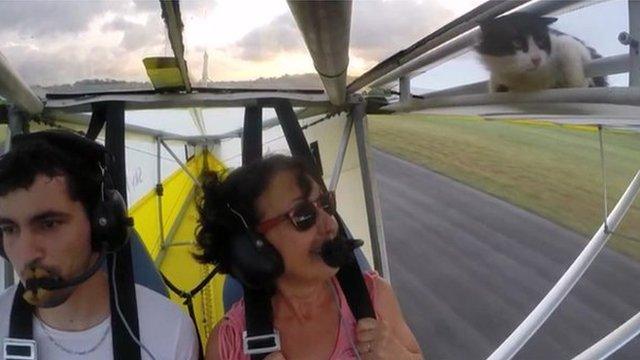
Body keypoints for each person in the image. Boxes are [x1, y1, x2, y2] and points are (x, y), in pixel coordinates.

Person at [195, 155, 423, 359]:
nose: (330, 225)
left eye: (326, 204)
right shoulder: (228, 345)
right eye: (303, 215)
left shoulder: (375, 298)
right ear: (253, 245)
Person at [0, 130, 199, 359]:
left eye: (49, 224)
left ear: (101, 226)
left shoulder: (169, 329)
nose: (26, 254)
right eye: (9, 229)